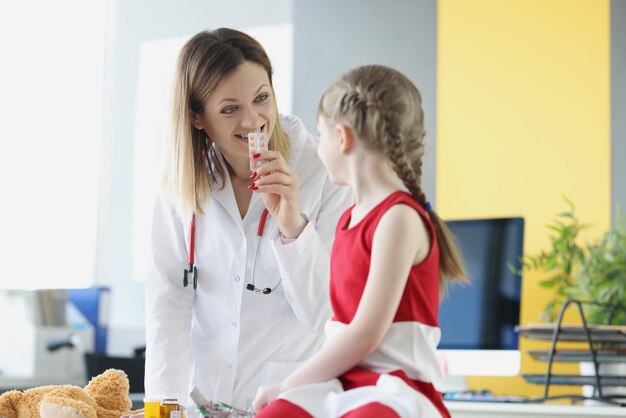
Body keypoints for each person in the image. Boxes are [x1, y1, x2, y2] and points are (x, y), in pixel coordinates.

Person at [144, 28, 353, 412]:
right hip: (201, 400)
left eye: (261, 99)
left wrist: (293, 226)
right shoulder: (180, 180)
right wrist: (164, 406)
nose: (253, 120)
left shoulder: (322, 169)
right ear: (197, 117)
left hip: (289, 400)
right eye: (229, 109)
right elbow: (168, 304)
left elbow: (325, 313)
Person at [253, 65, 469, 418]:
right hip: (346, 380)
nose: (319, 148)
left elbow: (366, 335)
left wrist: (288, 383)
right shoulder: (349, 218)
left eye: (321, 136)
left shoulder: (399, 219)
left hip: (396, 385)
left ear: (342, 137)